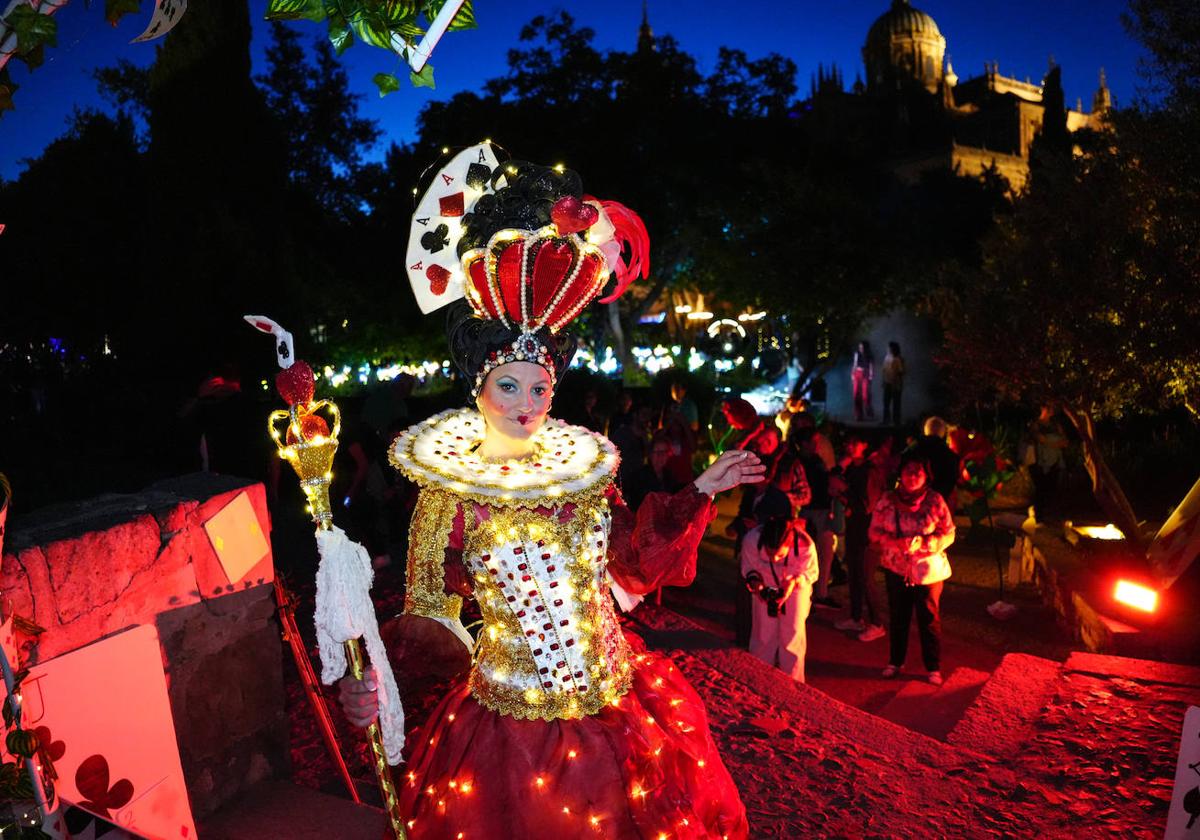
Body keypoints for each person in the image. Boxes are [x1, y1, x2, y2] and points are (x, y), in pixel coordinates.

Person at [340, 156, 760, 839]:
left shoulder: (585, 473)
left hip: (617, 699)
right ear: (479, 388)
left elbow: (626, 570)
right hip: (511, 723)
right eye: (510, 386)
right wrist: (374, 689)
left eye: (539, 388)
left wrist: (700, 490)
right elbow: (425, 621)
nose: (528, 403)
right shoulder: (451, 494)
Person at [869, 452, 955, 685]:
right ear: (901, 474)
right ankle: (895, 662)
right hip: (895, 568)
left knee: (928, 618)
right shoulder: (887, 499)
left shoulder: (935, 500)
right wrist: (895, 542)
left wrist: (925, 543)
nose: (913, 475)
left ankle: (933, 667)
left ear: (926, 474)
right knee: (898, 616)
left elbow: (949, 532)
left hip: (926, 571)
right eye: (908, 470)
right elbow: (874, 532)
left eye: (918, 470)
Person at [740, 499, 818, 682]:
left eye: (780, 555)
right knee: (762, 635)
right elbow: (749, 568)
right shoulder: (752, 539)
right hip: (764, 584)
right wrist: (758, 587)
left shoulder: (805, 545)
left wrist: (791, 584)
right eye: (769, 553)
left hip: (796, 586)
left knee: (792, 636)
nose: (774, 558)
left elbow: (811, 574)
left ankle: (793, 683)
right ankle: (758, 679)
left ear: (790, 543)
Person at [833, 435, 885, 640]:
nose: (850, 445)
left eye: (855, 442)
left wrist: (844, 490)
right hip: (855, 528)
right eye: (848, 442)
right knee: (854, 573)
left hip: (868, 532)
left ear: (865, 445)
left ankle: (877, 623)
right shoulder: (853, 468)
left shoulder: (869, 471)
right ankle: (856, 618)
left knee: (865, 577)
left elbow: (867, 505)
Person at [1029, 404, 1068, 515]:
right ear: (1043, 408)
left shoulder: (1056, 425)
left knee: (1051, 487)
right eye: (1049, 407)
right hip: (1040, 461)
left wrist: (1058, 443)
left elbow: (1065, 440)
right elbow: (1040, 439)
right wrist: (1056, 443)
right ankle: (1039, 514)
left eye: (1052, 408)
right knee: (1041, 487)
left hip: (1055, 460)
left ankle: (1046, 513)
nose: (1051, 410)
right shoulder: (1036, 425)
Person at [881, 342, 905, 425]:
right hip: (888, 383)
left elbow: (901, 372)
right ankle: (886, 420)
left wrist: (899, 383)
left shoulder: (898, 359)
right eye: (888, 348)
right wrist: (883, 381)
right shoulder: (887, 358)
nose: (887, 349)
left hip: (895, 384)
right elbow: (884, 370)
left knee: (896, 403)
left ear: (893, 349)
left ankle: (896, 421)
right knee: (886, 403)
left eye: (889, 348)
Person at [851, 340, 875, 422]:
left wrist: (871, 376)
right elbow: (854, 364)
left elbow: (871, 366)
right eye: (860, 347)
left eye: (863, 347)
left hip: (865, 373)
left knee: (865, 395)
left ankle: (869, 410)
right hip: (857, 373)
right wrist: (852, 374)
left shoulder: (869, 355)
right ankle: (858, 415)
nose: (861, 349)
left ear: (866, 348)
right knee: (856, 395)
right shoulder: (857, 354)